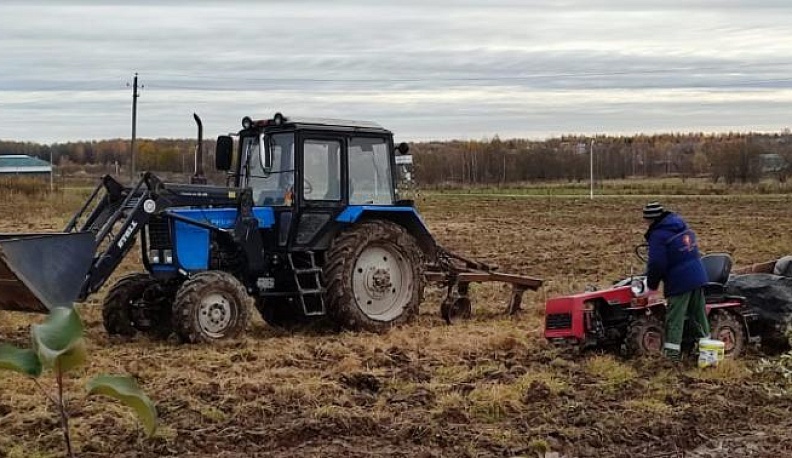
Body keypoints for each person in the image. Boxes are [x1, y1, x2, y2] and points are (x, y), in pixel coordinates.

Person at [642, 201, 710, 360]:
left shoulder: (658, 234)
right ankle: (707, 353)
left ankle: (671, 356)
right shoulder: (680, 225)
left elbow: (657, 263)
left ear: (650, 219)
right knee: (698, 315)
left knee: (675, 317)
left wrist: (650, 284)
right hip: (697, 275)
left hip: (680, 281)